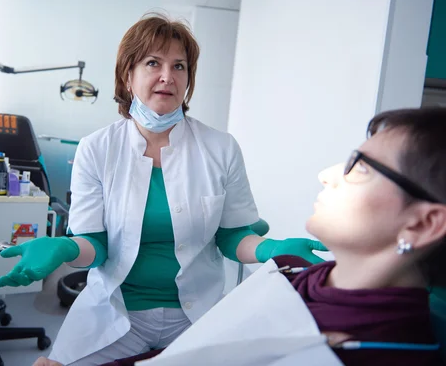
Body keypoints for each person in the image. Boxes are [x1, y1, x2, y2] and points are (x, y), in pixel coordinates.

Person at [0, 13, 327, 366]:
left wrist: (271, 248)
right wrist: (62, 247)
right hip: (117, 312)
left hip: (195, 315)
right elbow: (95, 245)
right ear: (128, 74)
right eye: (153, 62)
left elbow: (232, 236)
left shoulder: (220, 148)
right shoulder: (97, 148)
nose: (168, 76)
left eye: (179, 66)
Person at [102, 106, 446, 366]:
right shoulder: (297, 275)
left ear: (422, 224)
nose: (327, 175)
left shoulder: (388, 350)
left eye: (362, 168)